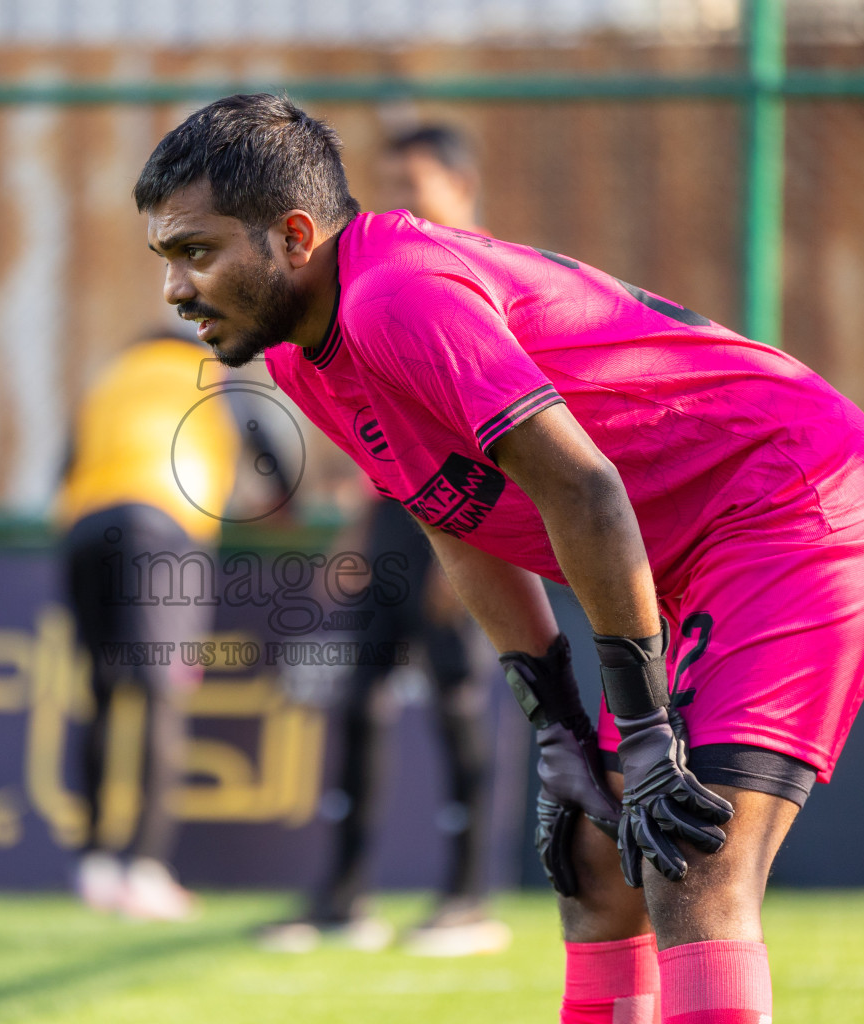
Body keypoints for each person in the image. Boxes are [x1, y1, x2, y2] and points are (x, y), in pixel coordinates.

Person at [135, 95, 864, 1022]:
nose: (176, 291)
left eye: (196, 253)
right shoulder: (305, 357)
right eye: (167, 260)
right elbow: (453, 516)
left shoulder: (397, 297)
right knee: (595, 866)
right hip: (689, 543)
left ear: (295, 235)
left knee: (692, 861)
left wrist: (644, 729)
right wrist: (557, 727)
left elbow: (585, 491)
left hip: (795, 504)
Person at [259, 124, 508, 957]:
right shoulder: (387, 286)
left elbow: (503, 439)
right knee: (359, 704)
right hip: (397, 523)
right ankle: (342, 901)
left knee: (460, 703)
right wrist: (361, 534)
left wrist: (471, 554)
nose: (398, 207)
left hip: (466, 526)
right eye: (388, 189)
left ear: (463, 191)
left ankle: (467, 900)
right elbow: (387, 435)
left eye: (417, 188)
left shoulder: (479, 281)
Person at [56, 330, 254, 921]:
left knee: (99, 692)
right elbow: (266, 449)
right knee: (162, 694)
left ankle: (93, 863)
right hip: (165, 522)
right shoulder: (210, 371)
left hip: (84, 527)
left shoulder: (110, 379)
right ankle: (145, 869)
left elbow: (63, 467)